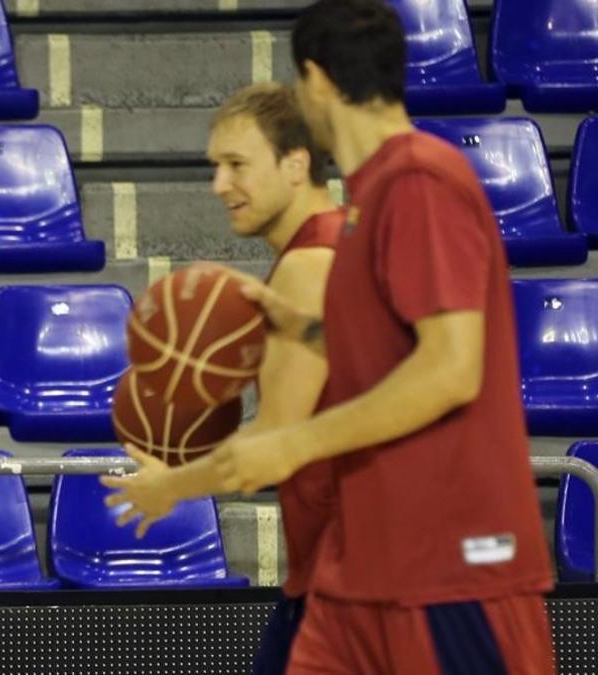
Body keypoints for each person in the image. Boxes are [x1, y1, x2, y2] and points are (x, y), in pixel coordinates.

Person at [203, 0, 554, 671]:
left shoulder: (418, 179)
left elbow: (451, 370)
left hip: (452, 565)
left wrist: (294, 440)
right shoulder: (371, 196)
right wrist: (300, 326)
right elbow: (390, 355)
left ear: (317, 80)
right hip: (372, 566)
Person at [101, 82, 343, 674]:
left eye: (237, 165)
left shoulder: (313, 264)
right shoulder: (338, 244)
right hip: (336, 572)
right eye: (215, 167)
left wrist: (171, 483)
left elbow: (276, 443)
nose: (219, 186)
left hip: (352, 584)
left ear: (296, 163)